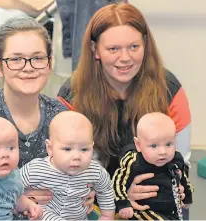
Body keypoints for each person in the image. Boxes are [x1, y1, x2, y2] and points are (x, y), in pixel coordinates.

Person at [0, 16, 94, 215]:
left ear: (50, 63)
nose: (28, 67)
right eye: (15, 59)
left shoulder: (63, 116)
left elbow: (85, 172)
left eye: (38, 58)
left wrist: (88, 192)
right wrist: (12, 197)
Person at [56, 2, 192, 219]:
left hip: (154, 197)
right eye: (113, 49)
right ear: (95, 50)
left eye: (134, 47)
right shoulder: (71, 94)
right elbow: (64, 166)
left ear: (145, 45)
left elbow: (181, 159)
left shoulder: (170, 89)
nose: (125, 58)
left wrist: (176, 187)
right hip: (94, 199)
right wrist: (116, 196)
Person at [20, 111, 115, 220]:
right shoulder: (36, 169)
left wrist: (106, 216)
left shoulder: (94, 170)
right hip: (44, 214)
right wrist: (23, 200)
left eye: (84, 149)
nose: (77, 156)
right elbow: (11, 187)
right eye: (67, 149)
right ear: (50, 148)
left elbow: (105, 190)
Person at [112, 112, 193, 220]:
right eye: (154, 146)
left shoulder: (176, 159)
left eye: (169, 144)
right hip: (143, 210)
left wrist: (187, 197)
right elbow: (118, 182)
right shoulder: (134, 162)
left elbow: (183, 179)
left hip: (171, 210)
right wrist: (123, 204)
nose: (163, 151)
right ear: (138, 145)